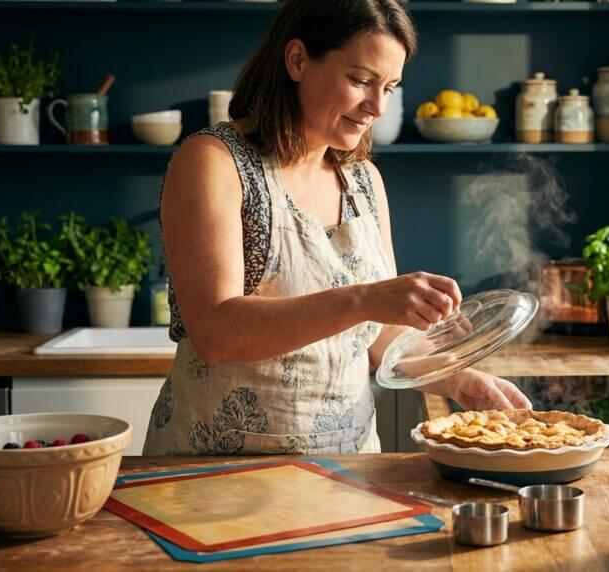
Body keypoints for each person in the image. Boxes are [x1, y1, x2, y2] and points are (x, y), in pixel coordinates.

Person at [142, 0, 531, 456]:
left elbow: (376, 340)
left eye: (390, 87)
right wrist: (368, 299)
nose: (377, 107)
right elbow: (214, 332)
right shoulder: (215, 161)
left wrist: (457, 377)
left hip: (350, 466)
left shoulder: (363, 178)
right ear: (298, 60)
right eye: (361, 80)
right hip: (216, 474)